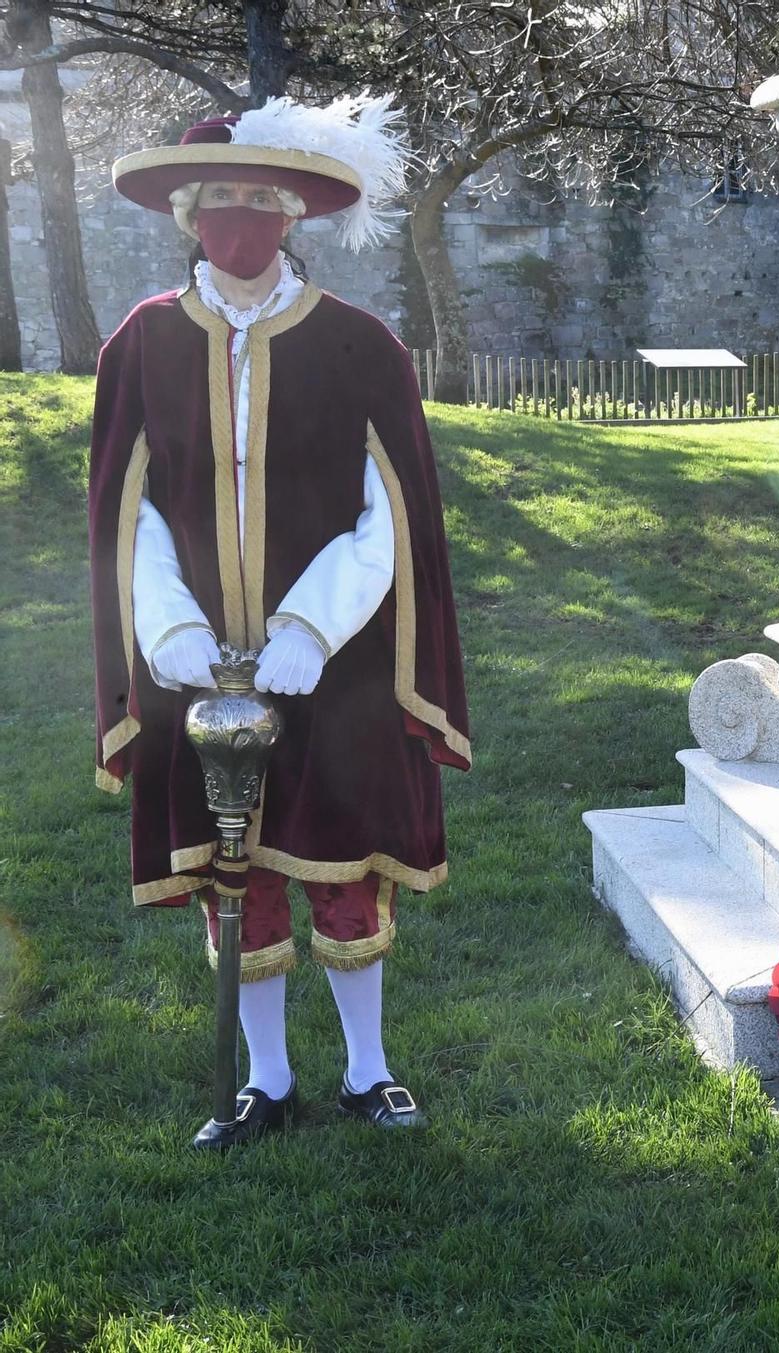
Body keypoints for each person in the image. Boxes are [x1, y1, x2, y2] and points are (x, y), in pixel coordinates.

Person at [91, 97, 470, 1148]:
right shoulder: (143, 343)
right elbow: (129, 512)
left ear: (294, 211)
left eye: (262, 201)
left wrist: (310, 628)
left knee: (343, 864)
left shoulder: (359, 344)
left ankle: (368, 1071)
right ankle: (264, 1079)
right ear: (187, 212)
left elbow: (388, 512)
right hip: (196, 673)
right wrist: (168, 633)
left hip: (334, 667)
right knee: (233, 876)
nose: (241, 223)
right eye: (221, 201)